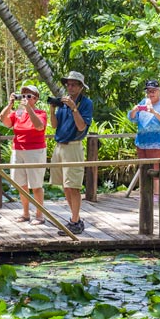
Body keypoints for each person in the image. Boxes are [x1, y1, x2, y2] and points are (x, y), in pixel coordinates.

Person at [49, 71, 93, 236]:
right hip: (59, 146)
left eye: (74, 84)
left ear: (81, 87)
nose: (70, 87)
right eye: (68, 84)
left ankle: (74, 221)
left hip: (73, 146)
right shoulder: (62, 102)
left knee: (73, 186)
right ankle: (76, 219)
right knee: (65, 187)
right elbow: (54, 126)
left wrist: (74, 109)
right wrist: (52, 110)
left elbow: (82, 127)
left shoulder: (86, 103)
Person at [0, 84, 47, 224]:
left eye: (29, 96)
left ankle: (40, 215)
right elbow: (4, 120)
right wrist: (10, 104)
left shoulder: (41, 113)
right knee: (21, 184)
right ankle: (25, 213)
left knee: (36, 185)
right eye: (23, 95)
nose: (25, 98)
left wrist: (29, 109)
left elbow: (39, 126)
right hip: (18, 150)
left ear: (35, 99)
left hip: (35, 151)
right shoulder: (17, 113)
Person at [128, 79, 160, 198]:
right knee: (143, 168)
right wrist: (134, 110)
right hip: (142, 141)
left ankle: (156, 194)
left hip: (158, 142)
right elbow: (133, 119)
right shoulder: (143, 101)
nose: (151, 94)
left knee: (156, 168)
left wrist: (153, 112)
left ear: (159, 91)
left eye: (153, 91)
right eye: (149, 91)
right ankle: (145, 193)